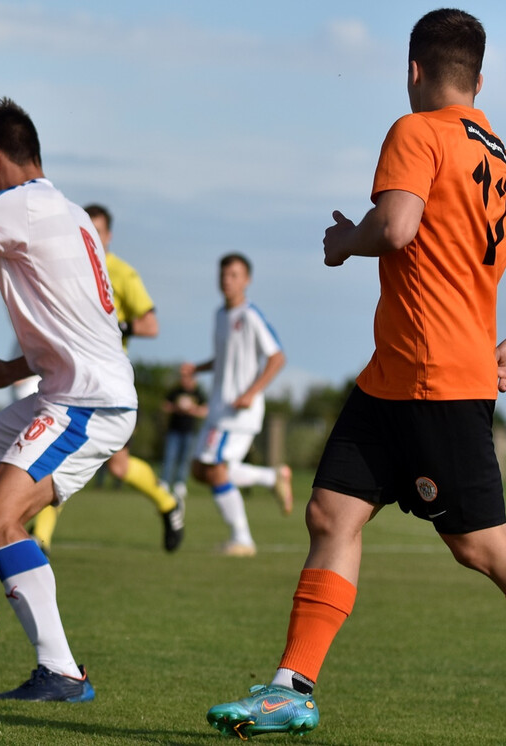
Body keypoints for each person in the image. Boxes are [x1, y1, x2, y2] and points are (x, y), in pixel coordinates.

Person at [207, 9, 506, 738]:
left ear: (412, 70)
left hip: (435, 378)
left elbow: (397, 225)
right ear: (479, 74)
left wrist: (345, 242)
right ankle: (291, 688)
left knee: (482, 547)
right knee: (331, 514)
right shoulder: (495, 150)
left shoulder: (417, 131)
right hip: (396, 376)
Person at [0, 98, 138, 702]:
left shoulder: (11, 206)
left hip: (86, 405)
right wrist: (13, 366)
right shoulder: (69, 213)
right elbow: (85, 323)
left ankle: (61, 670)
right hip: (64, 393)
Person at [30, 204, 184, 553]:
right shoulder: (68, 271)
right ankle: (41, 537)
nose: (92, 237)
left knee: (117, 468)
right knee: (60, 457)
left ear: (109, 236)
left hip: (108, 388)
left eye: (99, 231)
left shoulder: (121, 273)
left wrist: (118, 325)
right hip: (70, 383)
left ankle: (167, 504)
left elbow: (151, 324)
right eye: (86, 229)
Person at [184, 253, 291, 557]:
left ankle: (242, 539)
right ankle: (272, 477)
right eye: (224, 274)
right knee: (199, 470)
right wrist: (199, 369)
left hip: (239, 412)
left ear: (247, 280)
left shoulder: (250, 316)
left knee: (216, 470)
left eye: (234, 275)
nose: (227, 280)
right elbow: (224, 359)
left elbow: (277, 357)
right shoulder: (221, 315)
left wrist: (251, 392)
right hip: (219, 409)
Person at [159, 365, 208, 500]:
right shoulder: (176, 391)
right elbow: (165, 406)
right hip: (174, 430)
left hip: (190, 432)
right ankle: (164, 482)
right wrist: (177, 407)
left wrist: (193, 409)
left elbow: (205, 411)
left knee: (185, 460)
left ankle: (180, 484)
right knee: (170, 457)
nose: (185, 380)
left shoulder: (198, 393)